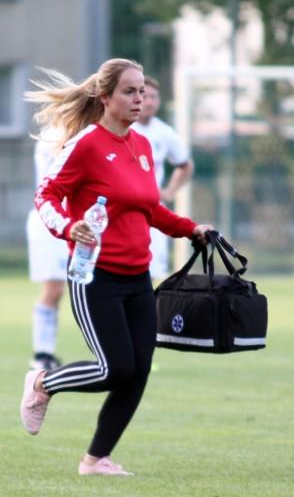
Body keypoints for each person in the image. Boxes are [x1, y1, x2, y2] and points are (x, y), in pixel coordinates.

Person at [20, 58, 213, 476]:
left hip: (138, 277)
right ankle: (41, 382)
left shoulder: (142, 145)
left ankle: (95, 460)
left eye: (142, 91)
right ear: (105, 97)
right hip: (95, 276)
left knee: (137, 372)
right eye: (130, 91)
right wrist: (69, 227)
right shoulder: (87, 144)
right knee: (115, 368)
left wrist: (191, 229)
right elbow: (45, 196)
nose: (139, 98)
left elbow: (150, 209)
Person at [132, 76, 194, 279]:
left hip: (153, 210)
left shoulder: (164, 132)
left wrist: (169, 192)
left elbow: (185, 164)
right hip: (126, 209)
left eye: (154, 97)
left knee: (151, 272)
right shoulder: (124, 129)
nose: (150, 102)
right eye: (146, 96)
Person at [26, 132, 68, 371]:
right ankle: (42, 354)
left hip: (80, 219)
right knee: (54, 289)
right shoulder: (55, 136)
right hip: (51, 220)